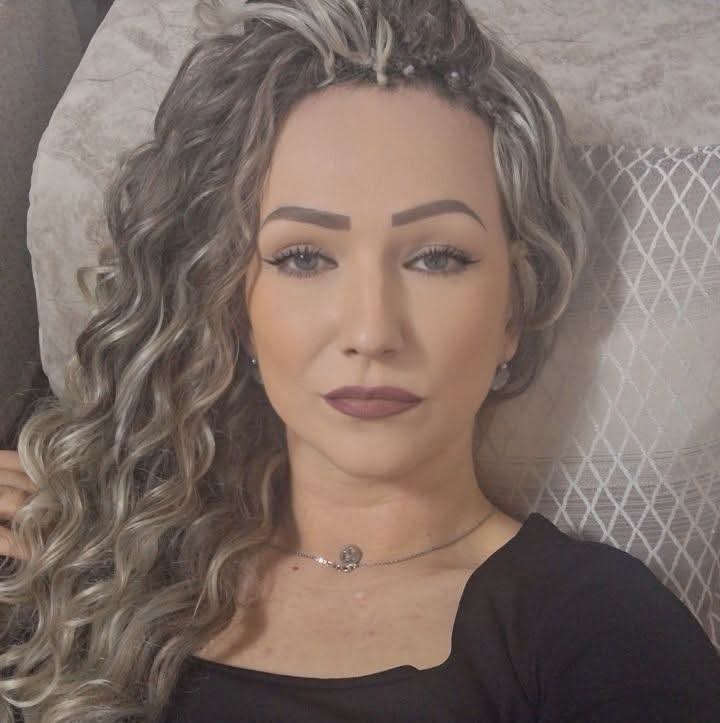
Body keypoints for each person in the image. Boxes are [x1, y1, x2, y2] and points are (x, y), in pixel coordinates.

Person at [1, 0, 719, 721]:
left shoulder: (601, 628)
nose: (373, 331)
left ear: (514, 311)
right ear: (235, 308)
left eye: (437, 257)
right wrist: (70, 556)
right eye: (303, 257)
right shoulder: (92, 568)